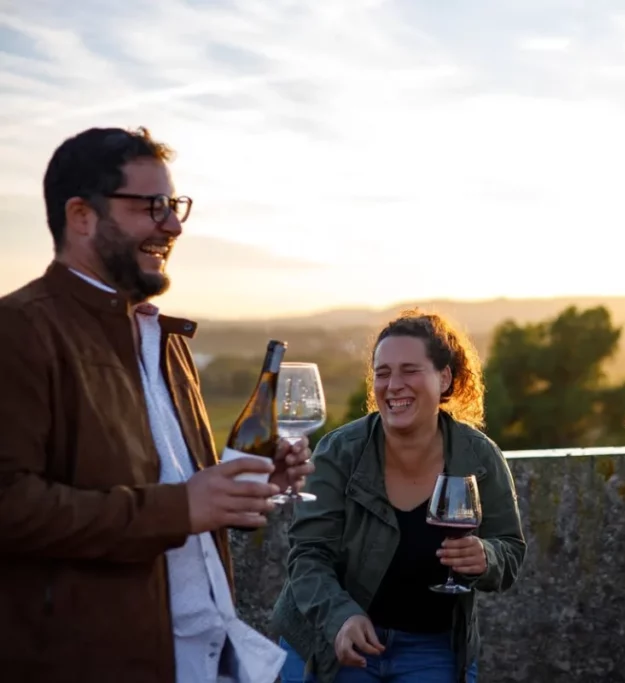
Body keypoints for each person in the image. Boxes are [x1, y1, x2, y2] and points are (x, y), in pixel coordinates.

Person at [0, 126, 314, 683]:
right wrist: (179, 508)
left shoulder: (165, 340)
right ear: (82, 216)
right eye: (152, 206)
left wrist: (241, 485)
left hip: (205, 655)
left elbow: (164, 483)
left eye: (174, 206)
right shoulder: (19, 329)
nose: (172, 224)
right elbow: (10, 504)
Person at [269, 310, 526, 683]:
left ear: (445, 378)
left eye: (410, 370)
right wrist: (342, 618)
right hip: (332, 639)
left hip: (432, 647)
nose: (393, 385)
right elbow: (308, 556)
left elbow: (510, 549)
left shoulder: (480, 457)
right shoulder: (339, 452)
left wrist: (486, 556)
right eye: (383, 372)